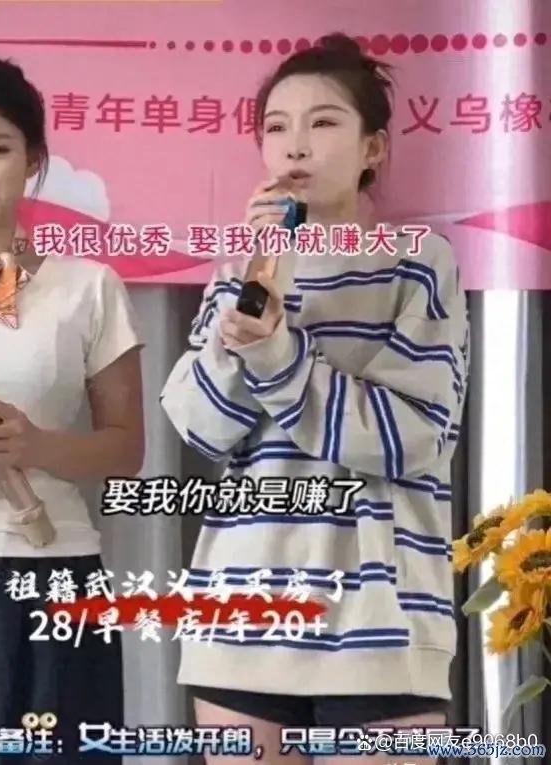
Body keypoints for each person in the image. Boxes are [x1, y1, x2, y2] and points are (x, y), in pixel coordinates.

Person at [161, 32, 470, 764]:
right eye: (276, 127)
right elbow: (203, 426)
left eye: (323, 122)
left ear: (373, 148)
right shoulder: (243, 266)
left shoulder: (418, 263)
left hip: (380, 618)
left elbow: (411, 437)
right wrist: (257, 294)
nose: (295, 144)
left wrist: (278, 356)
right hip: (242, 608)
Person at [0, 50, 144, 765]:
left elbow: (126, 449)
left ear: (34, 158)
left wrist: (36, 445)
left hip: (54, 576)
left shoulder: (88, 288)